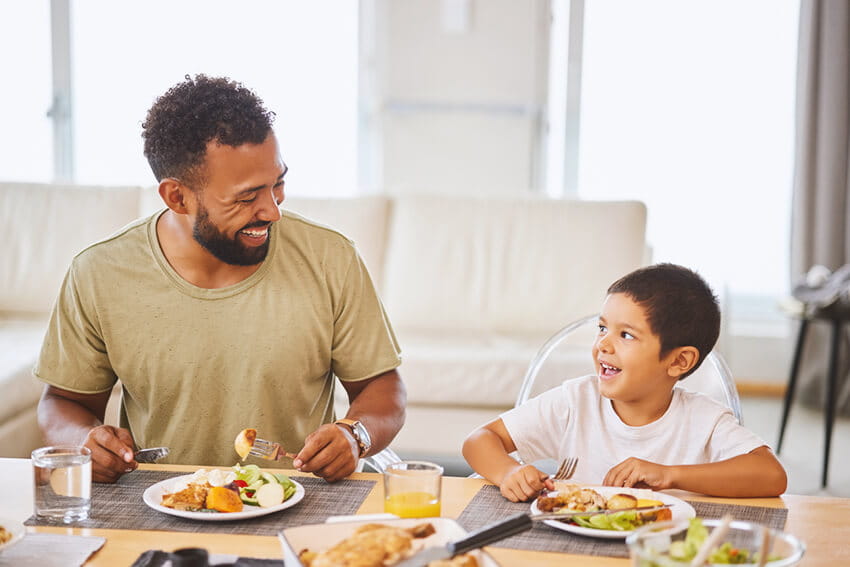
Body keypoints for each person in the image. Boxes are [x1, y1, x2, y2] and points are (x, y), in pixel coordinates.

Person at [35, 74, 405, 483]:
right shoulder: (98, 273)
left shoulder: (330, 257)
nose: (272, 211)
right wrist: (83, 438)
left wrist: (356, 435)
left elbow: (384, 389)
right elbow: (61, 402)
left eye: (277, 184)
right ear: (177, 196)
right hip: (159, 504)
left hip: (303, 501)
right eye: (246, 197)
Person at [463, 263, 787, 500]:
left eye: (626, 335)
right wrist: (508, 471)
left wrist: (669, 474)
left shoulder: (703, 419)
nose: (603, 344)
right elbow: (480, 440)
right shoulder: (576, 401)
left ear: (678, 361)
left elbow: (771, 475)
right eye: (602, 328)